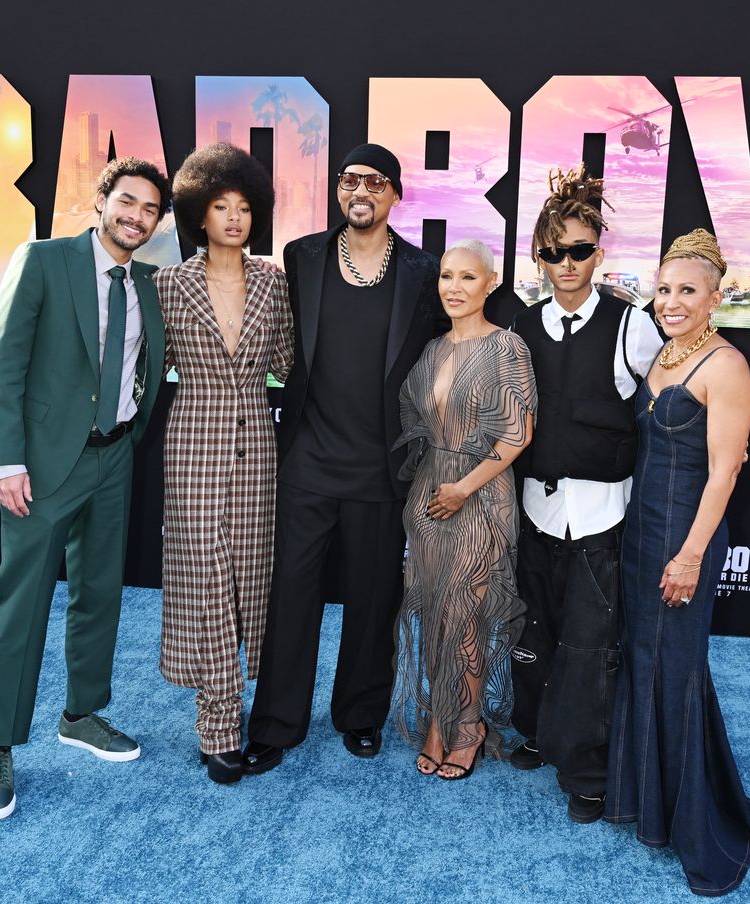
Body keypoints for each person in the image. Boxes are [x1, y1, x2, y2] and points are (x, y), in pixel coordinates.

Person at [0, 157, 171, 820]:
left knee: (99, 595)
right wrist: (7, 461)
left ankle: (82, 714)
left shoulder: (149, 284)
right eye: (127, 201)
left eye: (149, 209)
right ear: (103, 200)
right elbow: (4, 365)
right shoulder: (44, 260)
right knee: (22, 604)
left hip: (114, 459)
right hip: (43, 464)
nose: (135, 216)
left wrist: (128, 436)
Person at [241, 144, 447, 774]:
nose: (361, 190)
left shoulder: (422, 270)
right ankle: (276, 722)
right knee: (291, 597)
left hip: (383, 469)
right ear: (339, 190)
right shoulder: (301, 256)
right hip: (307, 459)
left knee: (373, 598)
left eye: (375, 182)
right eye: (350, 180)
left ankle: (360, 715)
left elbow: (456, 342)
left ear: (395, 195)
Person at [605, 228, 750, 895]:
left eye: (687, 290)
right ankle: (644, 800)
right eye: (664, 289)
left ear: (716, 296)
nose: (672, 301)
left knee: (675, 668)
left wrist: (689, 555)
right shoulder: (662, 357)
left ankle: (690, 820)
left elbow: (725, 472)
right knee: (644, 661)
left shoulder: (726, 366)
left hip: (685, 538)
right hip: (639, 533)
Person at [509, 164, 662, 823]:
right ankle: (538, 735)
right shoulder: (519, 328)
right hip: (535, 514)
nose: (565, 264)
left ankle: (589, 772)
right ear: (539, 258)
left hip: (602, 517)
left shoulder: (634, 328)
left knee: (594, 647)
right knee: (534, 634)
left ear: (597, 255)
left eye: (577, 251)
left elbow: (671, 409)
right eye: (553, 252)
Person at [151, 144, 293, 785]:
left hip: (260, 448)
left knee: (255, 583)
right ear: (197, 213)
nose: (233, 218)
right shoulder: (169, 284)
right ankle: (217, 725)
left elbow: (288, 364)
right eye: (219, 206)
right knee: (206, 583)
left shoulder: (272, 280)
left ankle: (262, 708)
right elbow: (143, 365)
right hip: (193, 445)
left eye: (242, 207)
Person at [391, 239, 535, 780]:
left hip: (481, 497)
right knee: (432, 613)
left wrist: (463, 486)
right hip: (430, 498)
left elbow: (518, 433)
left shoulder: (507, 349)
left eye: (467, 278)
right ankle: (437, 718)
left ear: (490, 283)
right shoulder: (432, 351)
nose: (454, 287)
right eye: (446, 276)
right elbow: (413, 417)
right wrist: (434, 480)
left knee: (467, 617)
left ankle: (469, 724)